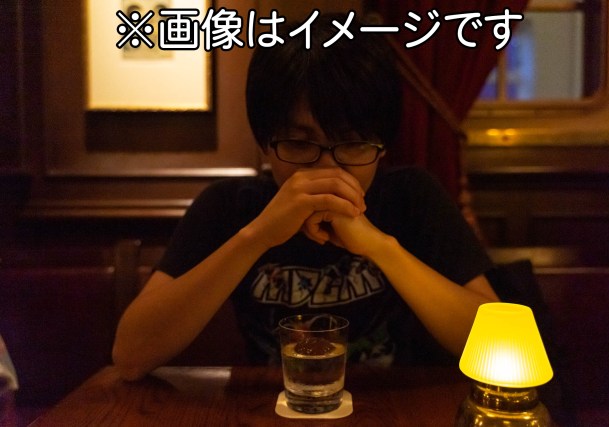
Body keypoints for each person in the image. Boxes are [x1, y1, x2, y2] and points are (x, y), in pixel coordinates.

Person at [112, 13, 499, 381]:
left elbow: (496, 346)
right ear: (264, 144)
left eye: (352, 143)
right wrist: (258, 235)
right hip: (271, 408)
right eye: (300, 143)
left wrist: (381, 247)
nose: (328, 168)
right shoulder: (229, 205)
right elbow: (130, 356)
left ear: (381, 146)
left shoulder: (412, 198)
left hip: (390, 407)